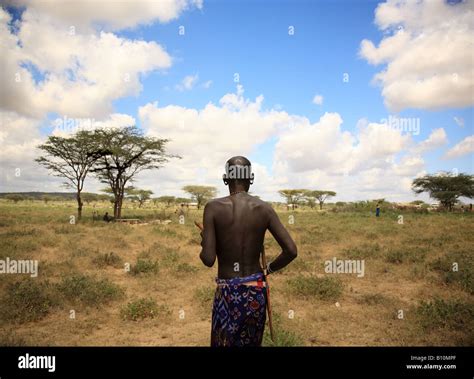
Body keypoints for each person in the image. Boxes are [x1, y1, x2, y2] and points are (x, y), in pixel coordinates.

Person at [199, 156, 297, 347]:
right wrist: (268, 269)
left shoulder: (213, 208)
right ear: (250, 178)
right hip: (255, 292)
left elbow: (208, 259)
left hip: (227, 293)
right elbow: (291, 251)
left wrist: (205, 241)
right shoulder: (264, 209)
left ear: (225, 178)